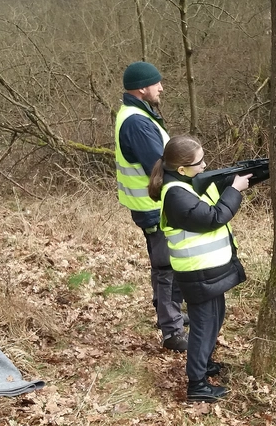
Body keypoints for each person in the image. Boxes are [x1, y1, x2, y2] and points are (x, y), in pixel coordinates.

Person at [148, 135, 252, 402]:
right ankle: (197, 385)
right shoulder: (175, 195)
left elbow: (211, 190)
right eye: (200, 162)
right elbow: (213, 217)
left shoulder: (186, 184)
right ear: (182, 169)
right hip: (197, 273)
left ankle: (204, 365)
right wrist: (235, 190)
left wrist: (237, 179)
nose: (205, 165)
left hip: (209, 271)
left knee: (215, 318)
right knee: (203, 326)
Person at [115, 61, 188, 352]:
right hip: (154, 206)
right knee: (167, 266)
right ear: (143, 88)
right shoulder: (137, 122)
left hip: (151, 204)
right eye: (157, 83)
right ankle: (172, 330)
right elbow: (158, 168)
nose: (161, 88)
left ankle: (169, 315)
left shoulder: (136, 114)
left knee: (167, 265)